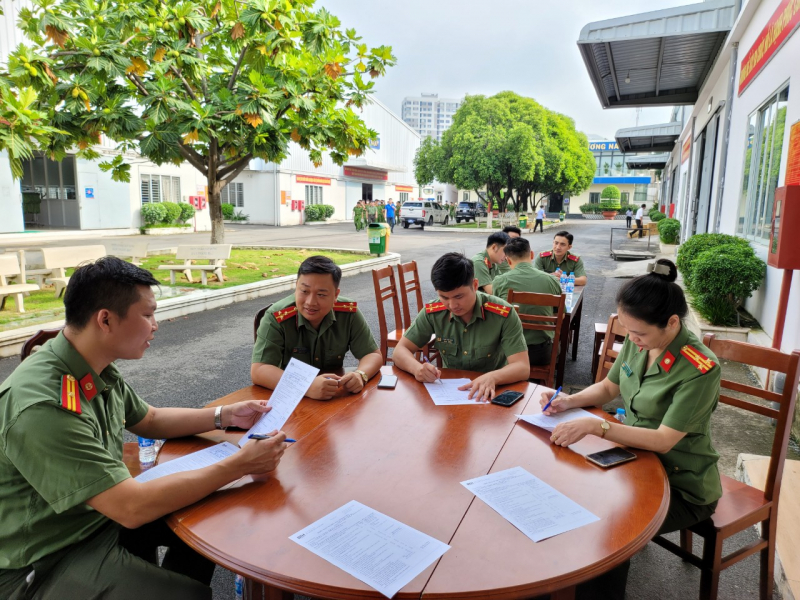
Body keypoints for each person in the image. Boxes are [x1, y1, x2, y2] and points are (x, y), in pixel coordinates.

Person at [0, 257, 289, 600]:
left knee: (205, 517)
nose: (156, 324)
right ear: (105, 319)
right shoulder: (44, 405)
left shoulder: (89, 363)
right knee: (188, 594)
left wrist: (225, 415)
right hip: (46, 557)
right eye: (148, 314)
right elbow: (130, 508)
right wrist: (241, 464)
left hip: (93, 519)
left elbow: (148, 419)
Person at [541, 259, 721, 600]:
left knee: (609, 527)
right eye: (629, 331)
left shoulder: (700, 367)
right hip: (633, 461)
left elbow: (664, 441)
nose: (633, 340)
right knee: (566, 495)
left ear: (671, 323)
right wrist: (569, 400)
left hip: (680, 482)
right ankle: (553, 585)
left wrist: (598, 426)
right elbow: (609, 388)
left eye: (638, 333)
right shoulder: (645, 343)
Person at [391, 252, 529, 401]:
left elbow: (522, 367)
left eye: (459, 297)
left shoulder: (502, 314)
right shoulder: (433, 312)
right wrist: (417, 368)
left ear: (475, 285)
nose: (452, 305)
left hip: (489, 394)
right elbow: (399, 351)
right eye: (444, 297)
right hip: (448, 394)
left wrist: (493, 377)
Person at [252, 255, 383, 400]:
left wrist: (361, 375)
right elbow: (259, 370)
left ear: (335, 295)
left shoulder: (347, 313)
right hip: (289, 399)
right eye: (304, 291)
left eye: (321, 294)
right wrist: (305, 386)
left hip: (333, 397)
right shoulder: (277, 317)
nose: (310, 302)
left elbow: (373, 355)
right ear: (296, 287)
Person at [492, 237, 563, 366]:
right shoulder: (552, 281)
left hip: (510, 354)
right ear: (531, 255)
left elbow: (496, 316)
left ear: (508, 260)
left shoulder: (500, 281)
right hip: (543, 353)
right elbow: (560, 315)